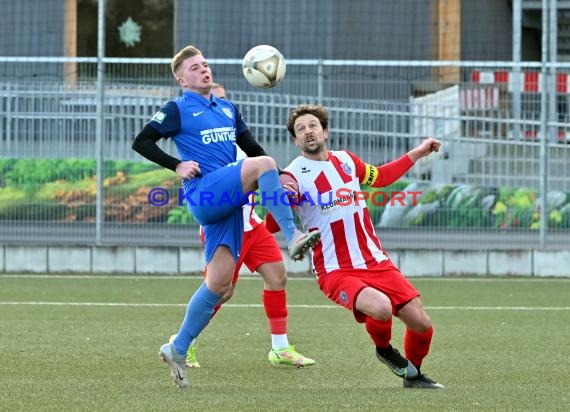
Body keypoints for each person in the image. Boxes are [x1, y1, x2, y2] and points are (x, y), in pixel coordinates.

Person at [131, 46, 320, 389]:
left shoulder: (228, 109)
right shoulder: (177, 108)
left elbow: (253, 149)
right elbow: (141, 141)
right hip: (205, 193)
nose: (204, 70)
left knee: (219, 285)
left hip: (230, 201)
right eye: (194, 67)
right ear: (181, 78)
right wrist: (176, 165)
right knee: (262, 167)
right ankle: (293, 236)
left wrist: (280, 174)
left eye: (205, 64)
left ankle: (178, 347)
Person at [272, 104, 444, 389]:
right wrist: (275, 202)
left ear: (325, 131)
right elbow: (274, 222)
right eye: (300, 129)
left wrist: (418, 152)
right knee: (381, 308)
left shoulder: (346, 160)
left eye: (312, 125)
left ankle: (413, 376)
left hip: (375, 260)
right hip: (336, 269)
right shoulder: (293, 175)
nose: (308, 131)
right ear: (295, 141)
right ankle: (385, 350)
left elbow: (381, 177)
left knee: (422, 325)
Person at [172, 82, 315, 369]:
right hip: (228, 226)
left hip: (253, 225)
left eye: (222, 101)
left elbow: (263, 176)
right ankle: (184, 344)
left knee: (278, 277)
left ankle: (280, 348)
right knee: (221, 290)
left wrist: (280, 183)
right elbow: (210, 190)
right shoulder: (204, 148)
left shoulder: (241, 145)